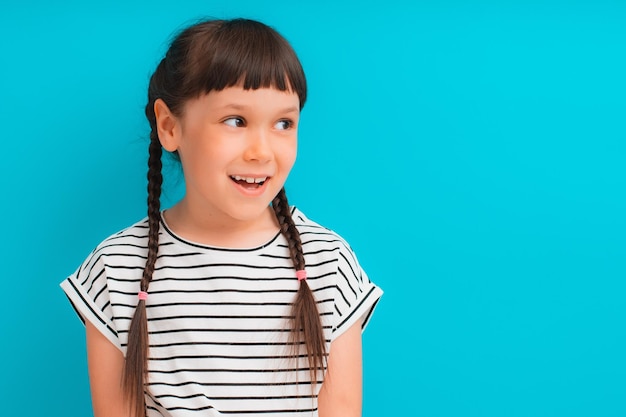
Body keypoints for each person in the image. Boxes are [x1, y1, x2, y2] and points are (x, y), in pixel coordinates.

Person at [60, 18, 382, 417]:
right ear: (169, 126)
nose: (261, 151)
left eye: (284, 123)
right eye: (236, 121)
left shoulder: (329, 263)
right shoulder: (116, 269)